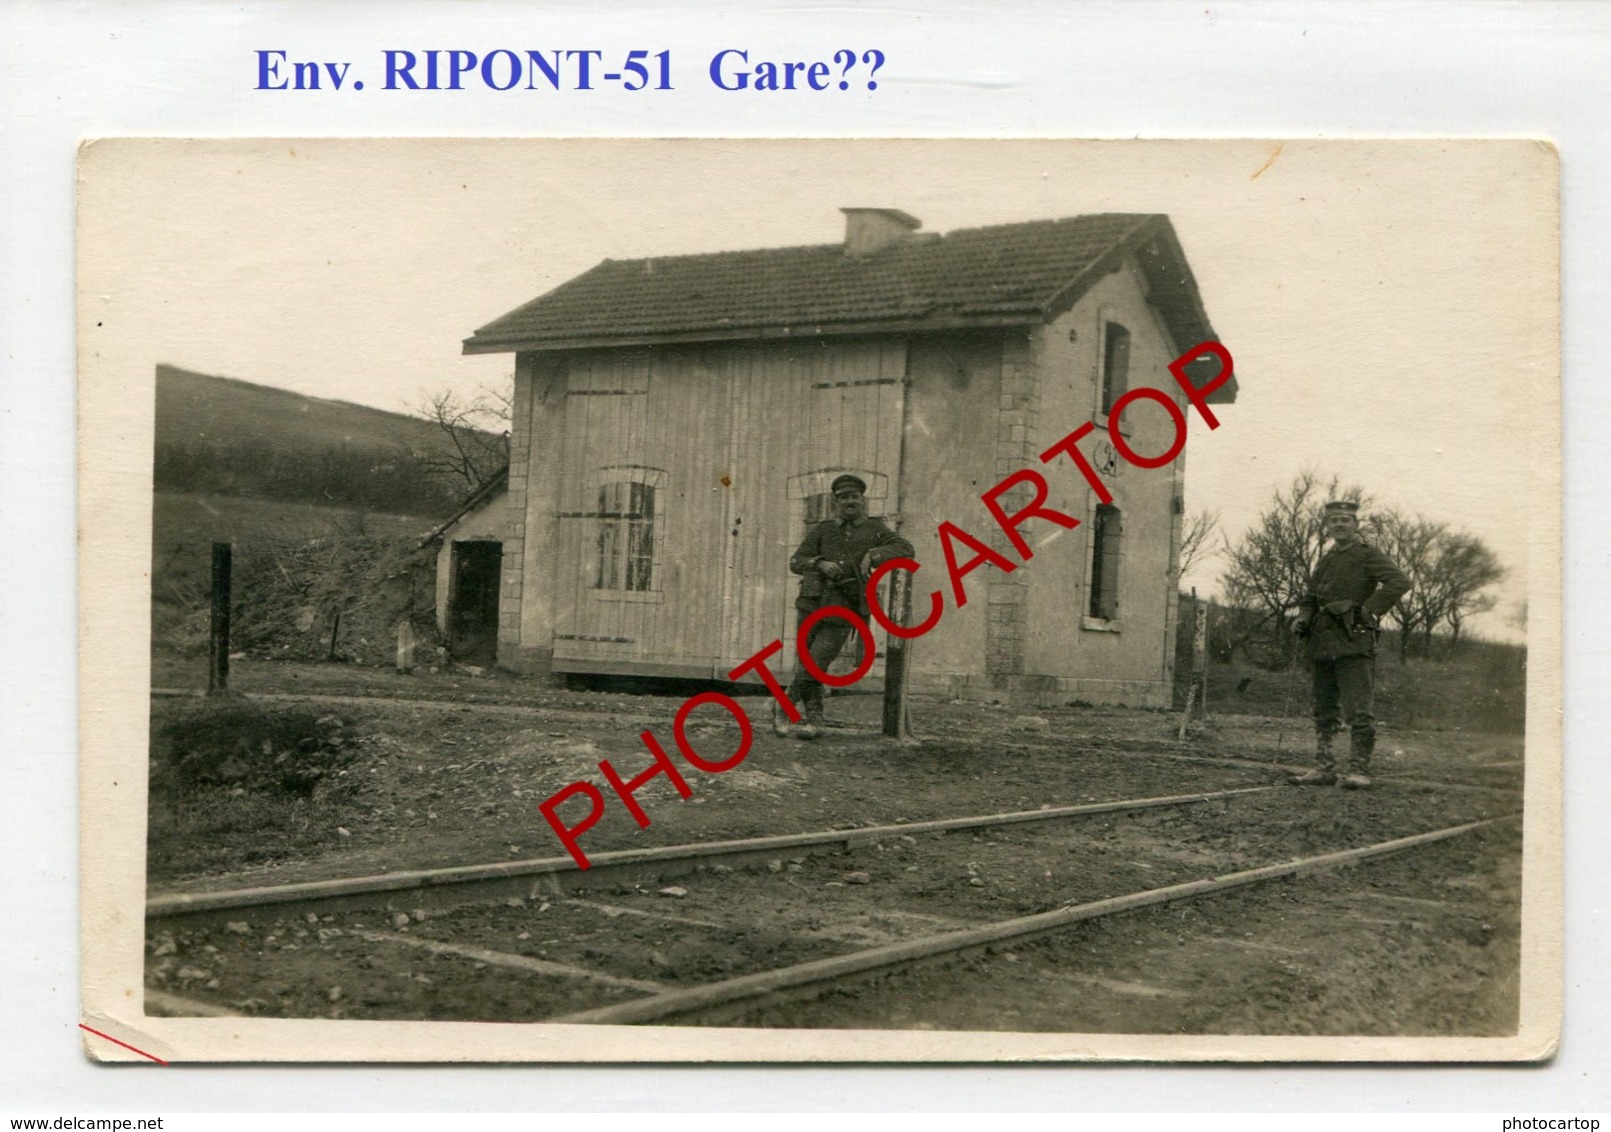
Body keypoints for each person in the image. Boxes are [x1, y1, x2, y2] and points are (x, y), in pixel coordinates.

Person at [777, 474, 914, 740]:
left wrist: (872, 555)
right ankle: (814, 721)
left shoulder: (874, 529)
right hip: (812, 602)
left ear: (862, 500)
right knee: (810, 663)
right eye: (844, 498)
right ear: (835, 502)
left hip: (846, 605)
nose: (850, 502)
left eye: (854, 497)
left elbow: (905, 548)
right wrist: (818, 563)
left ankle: (781, 708)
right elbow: (796, 561)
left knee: (816, 661)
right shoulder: (822, 529)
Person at [1289, 500, 1411, 789]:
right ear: (1327, 526)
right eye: (1334, 521)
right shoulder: (1326, 559)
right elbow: (1309, 596)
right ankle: (1324, 768)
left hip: (1354, 640)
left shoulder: (1367, 554)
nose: (1339, 525)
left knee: (1358, 709)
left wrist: (1368, 611)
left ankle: (1359, 770)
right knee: (1323, 707)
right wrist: (1303, 618)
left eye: (1345, 519)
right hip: (1322, 642)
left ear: (1356, 524)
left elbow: (1399, 581)